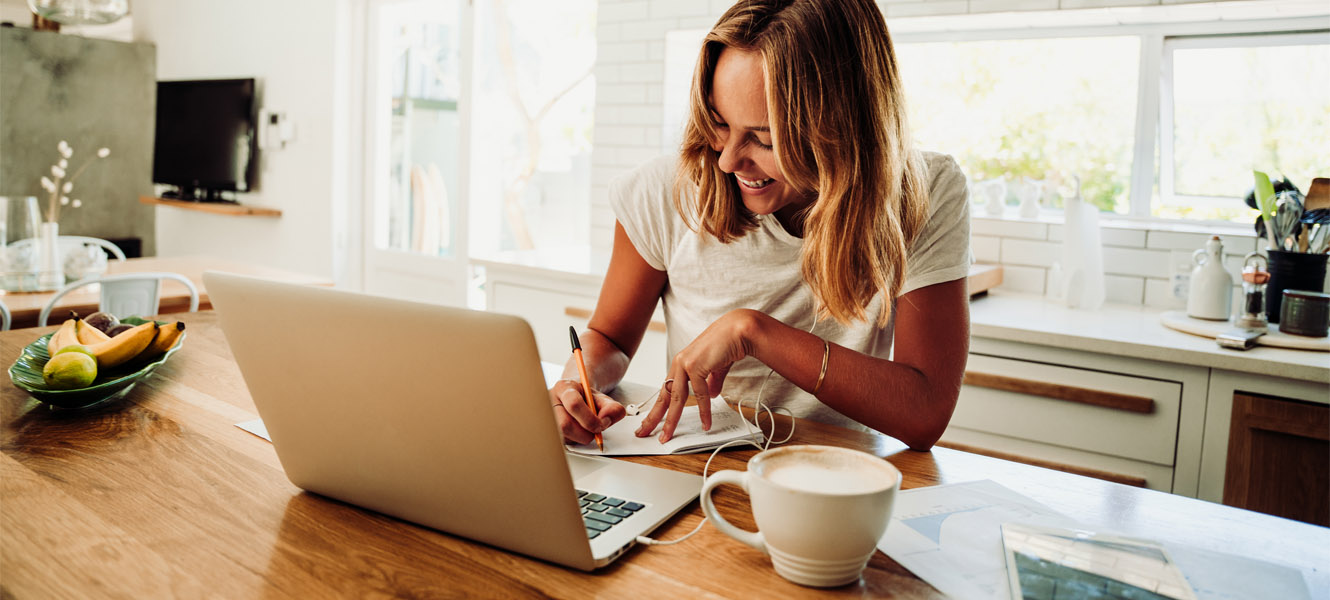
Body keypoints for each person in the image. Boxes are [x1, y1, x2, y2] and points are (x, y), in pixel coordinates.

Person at [548, 0, 970, 451]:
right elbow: (608, 337)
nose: (728, 160)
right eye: (718, 122)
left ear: (843, 127)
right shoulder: (660, 191)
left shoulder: (922, 192)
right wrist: (577, 384)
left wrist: (753, 332)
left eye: (763, 139)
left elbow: (925, 413)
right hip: (692, 463)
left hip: (836, 480)